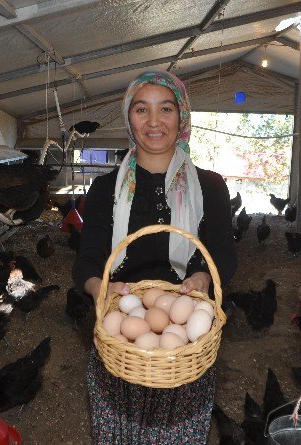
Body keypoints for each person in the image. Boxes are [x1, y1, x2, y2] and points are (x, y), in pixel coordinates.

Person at [72, 70, 237, 444]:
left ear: (182, 117)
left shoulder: (210, 186)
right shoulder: (104, 189)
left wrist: (202, 280)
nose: (154, 122)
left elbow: (223, 256)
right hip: (122, 341)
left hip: (183, 351)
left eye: (165, 109)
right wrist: (102, 288)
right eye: (141, 109)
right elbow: (86, 260)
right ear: (128, 119)